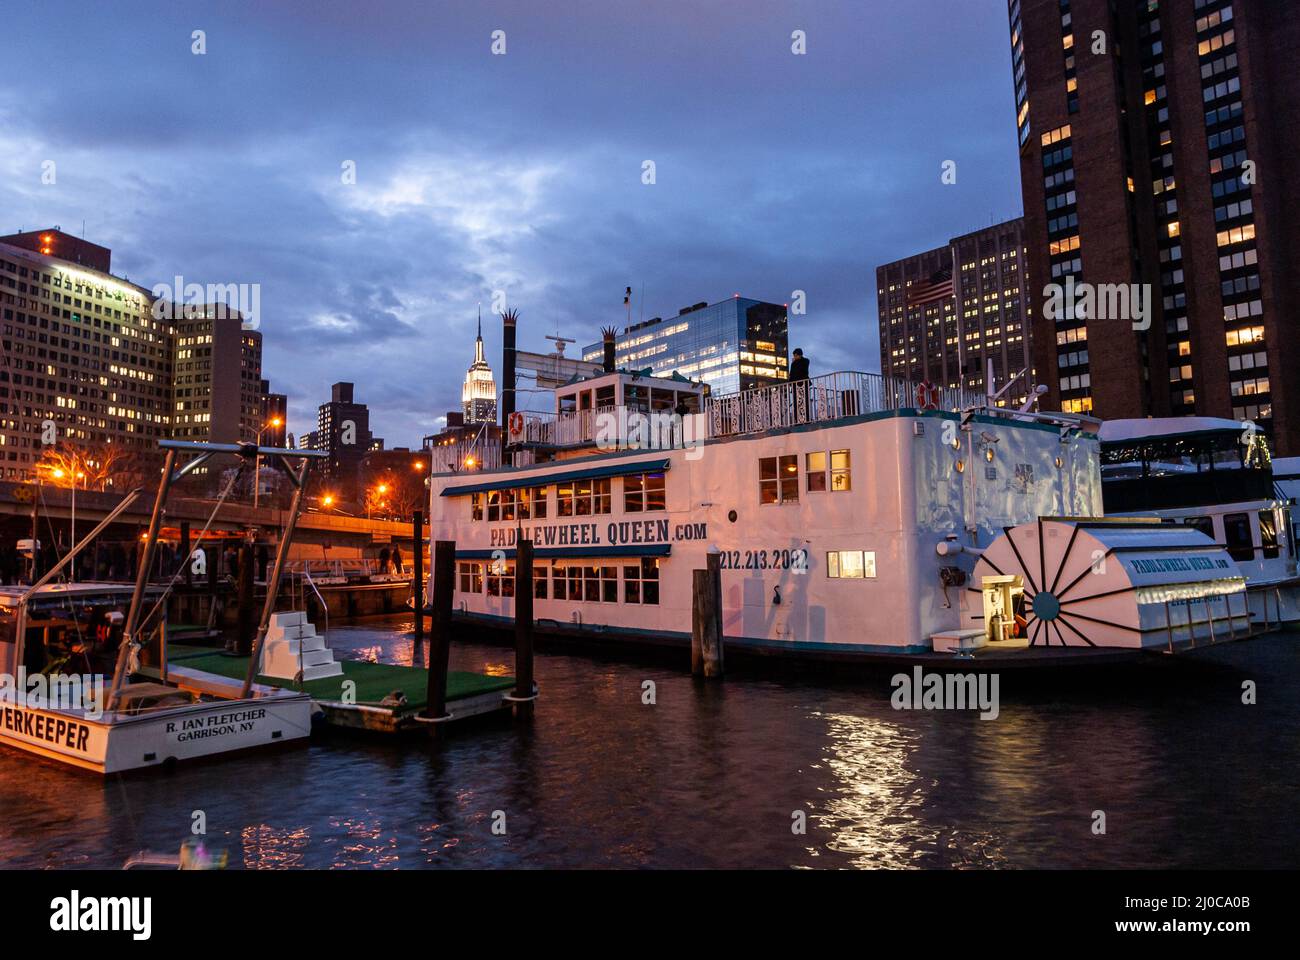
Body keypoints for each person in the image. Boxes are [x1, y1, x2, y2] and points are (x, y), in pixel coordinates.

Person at [789, 348, 811, 422]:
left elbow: (803, 371)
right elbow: (791, 374)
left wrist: (795, 362)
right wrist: (790, 383)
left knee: (805, 401)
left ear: (799, 355)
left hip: (803, 384)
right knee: (796, 403)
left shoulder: (805, 361)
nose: (794, 357)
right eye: (794, 356)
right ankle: (797, 419)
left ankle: (806, 419)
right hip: (795, 385)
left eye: (795, 355)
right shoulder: (794, 363)